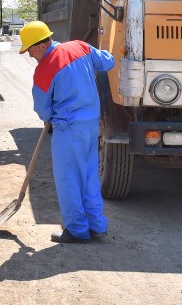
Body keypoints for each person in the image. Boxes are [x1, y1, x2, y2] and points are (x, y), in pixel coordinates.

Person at [19, 20, 116, 244]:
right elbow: (108, 62)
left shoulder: (45, 69)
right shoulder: (80, 47)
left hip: (68, 129)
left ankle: (77, 229)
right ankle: (97, 225)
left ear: (42, 46)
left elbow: (42, 110)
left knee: (69, 178)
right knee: (90, 174)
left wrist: (50, 115)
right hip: (91, 125)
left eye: (31, 50)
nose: (30, 55)